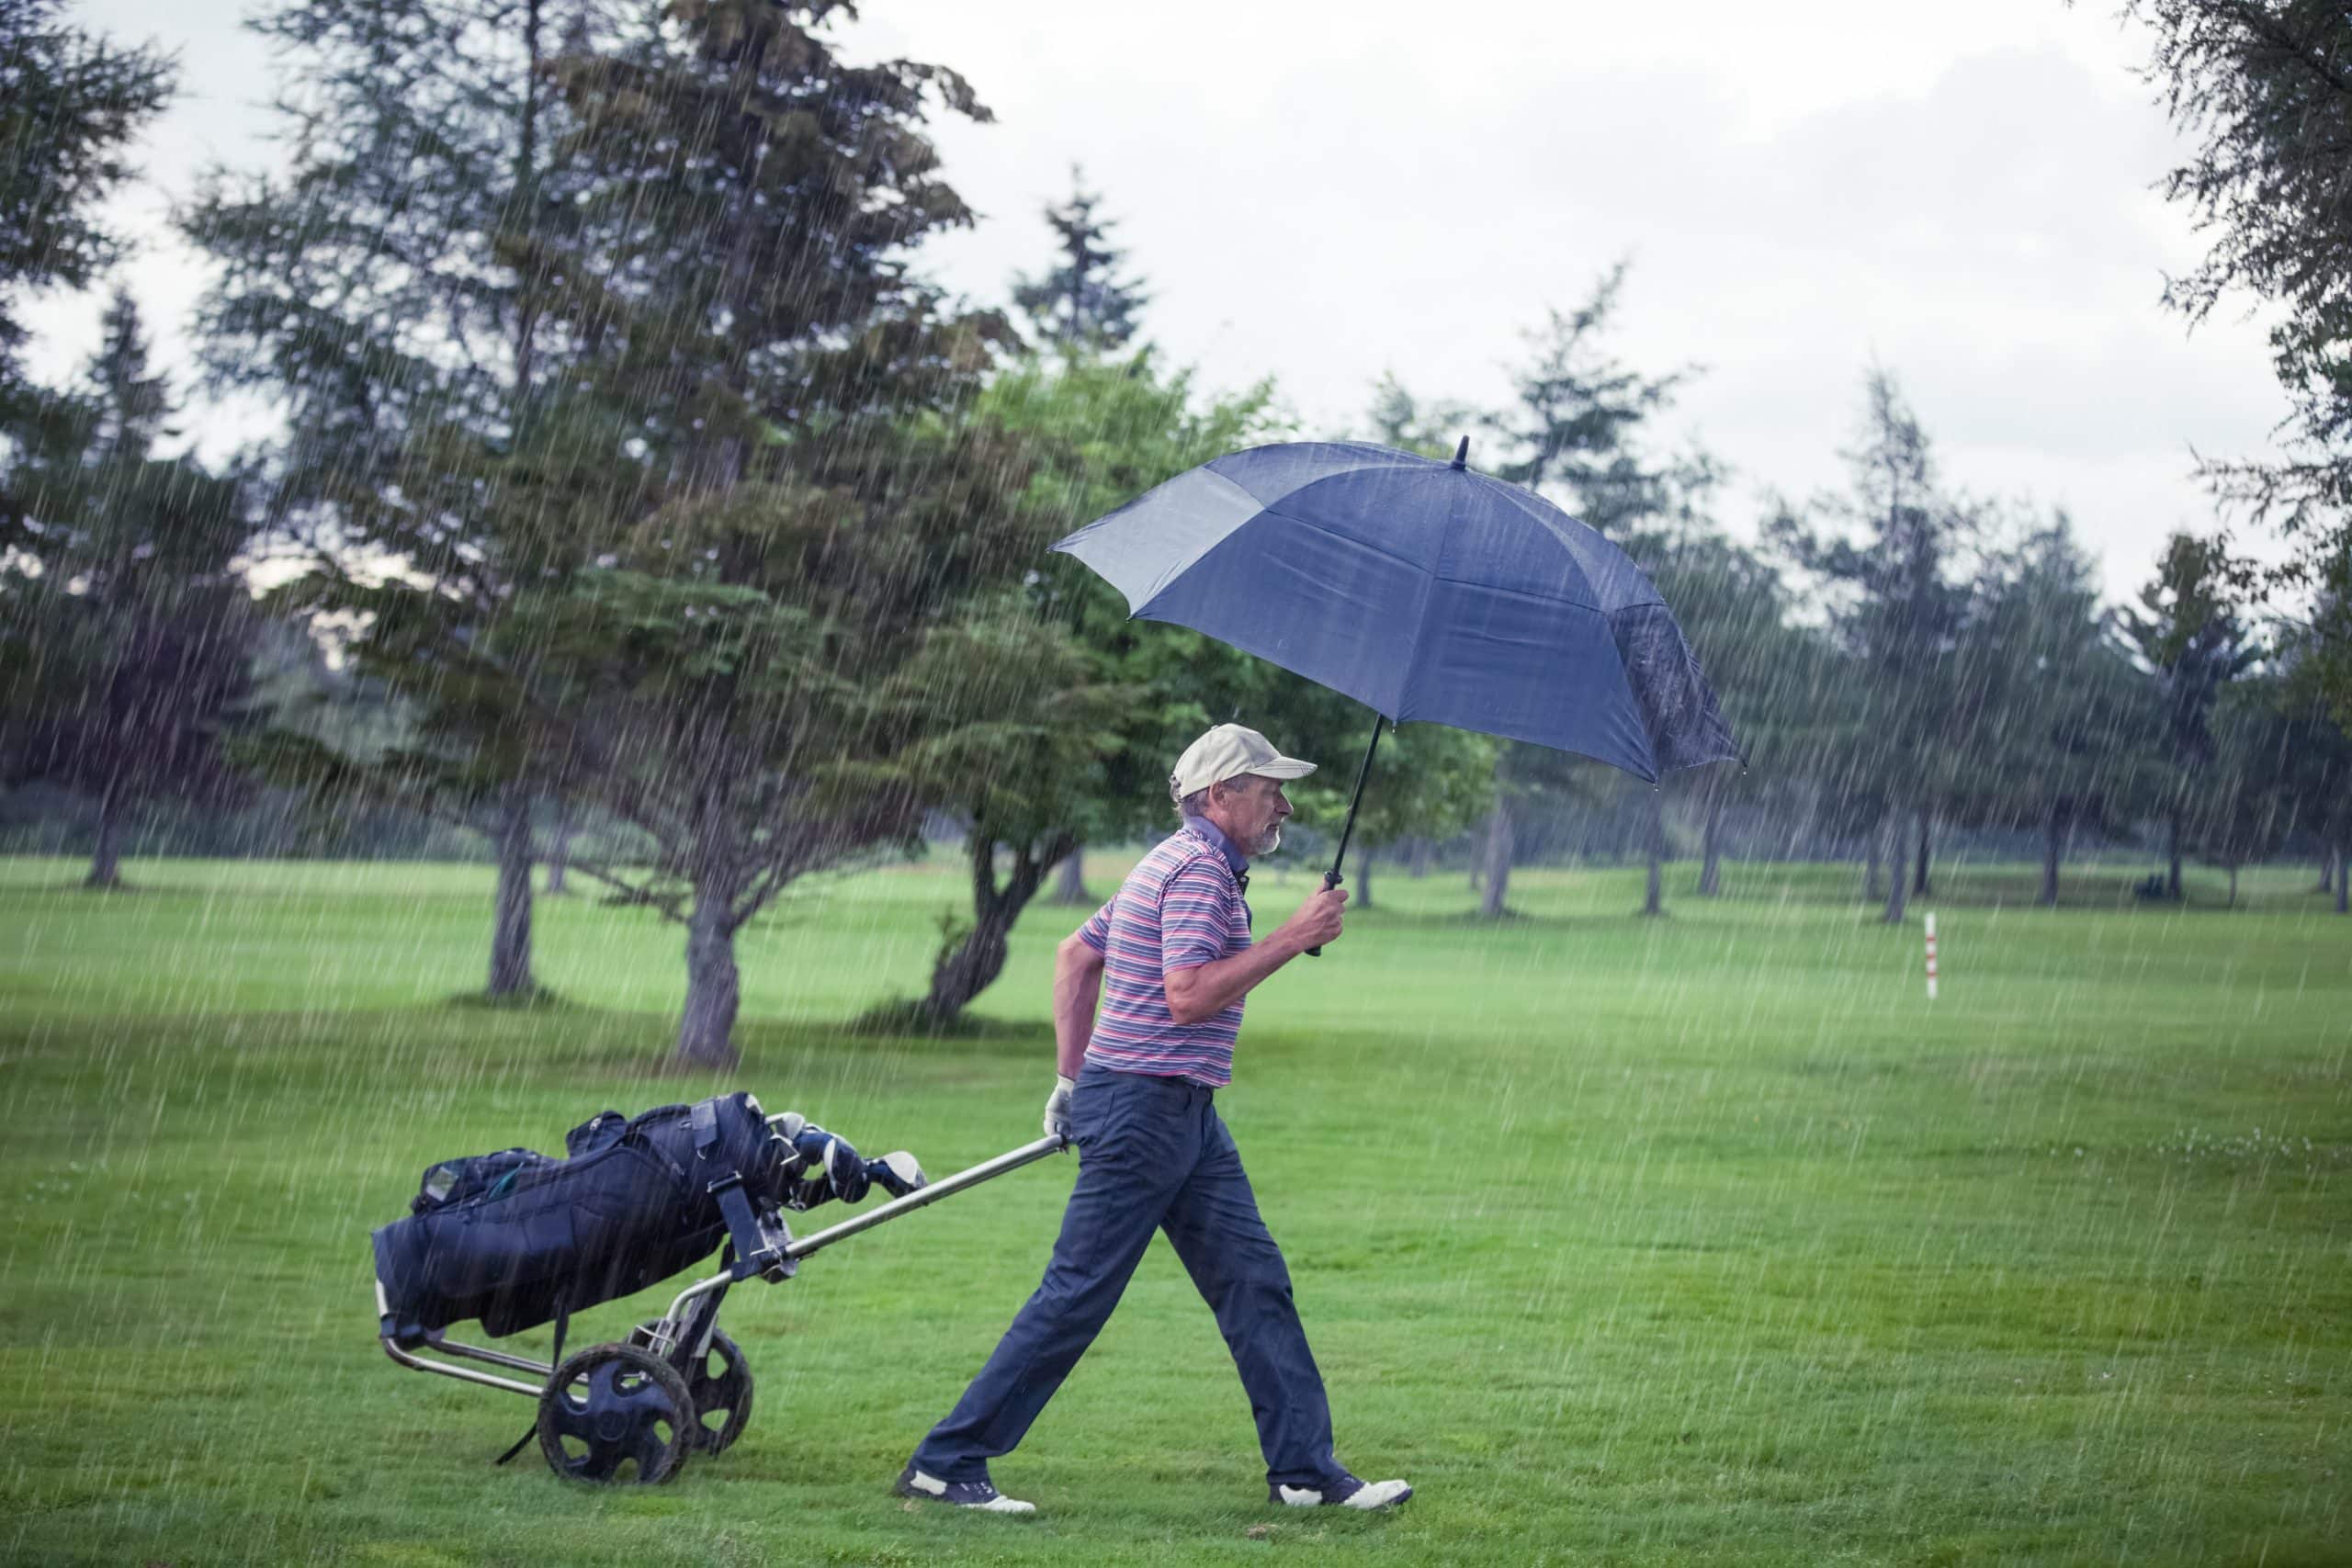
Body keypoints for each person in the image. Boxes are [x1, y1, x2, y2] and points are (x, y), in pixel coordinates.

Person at [896, 723, 1412, 1515]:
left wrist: (1071, 1083)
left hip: (1175, 1111)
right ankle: (947, 1459)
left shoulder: (1166, 861)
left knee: (1253, 1280)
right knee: (1077, 1294)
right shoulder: (1200, 870)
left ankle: (1305, 1471)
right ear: (1219, 796)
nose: (1285, 802)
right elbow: (1188, 995)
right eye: (1268, 786)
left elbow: (1075, 957)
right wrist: (1293, 935)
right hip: (1146, 1109)